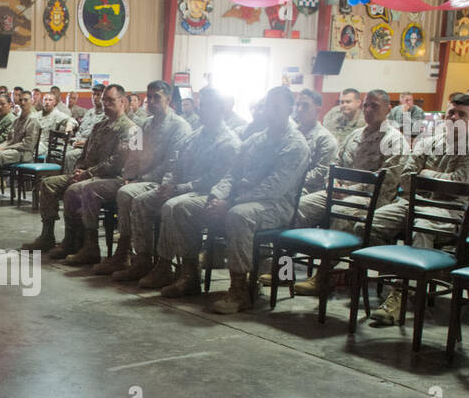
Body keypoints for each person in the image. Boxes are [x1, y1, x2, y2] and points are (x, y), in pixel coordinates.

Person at [159, 86, 310, 311]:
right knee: (184, 208)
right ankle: (189, 275)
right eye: (268, 106)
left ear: (290, 109)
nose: (271, 111)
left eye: (277, 107)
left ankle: (241, 290)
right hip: (239, 198)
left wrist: (230, 203)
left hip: (276, 205)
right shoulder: (256, 139)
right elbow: (232, 173)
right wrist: (216, 196)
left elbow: (273, 187)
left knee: (238, 215)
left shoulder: (295, 144)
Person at [364, 92, 469, 326]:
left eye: (462, 115)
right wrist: (430, 181)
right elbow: (406, 179)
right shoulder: (429, 141)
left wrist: (425, 174)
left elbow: (459, 186)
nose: (454, 118)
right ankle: (400, 278)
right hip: (413, 202)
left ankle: (400, 295)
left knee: (421, 228)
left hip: (449, 210)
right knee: (370, 224)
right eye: (451, 112)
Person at [284, 89, 405, 296]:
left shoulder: (394, 141)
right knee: (297, 206)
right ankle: (284, 269)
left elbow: (386, 183)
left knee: (342, 212)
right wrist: (337, 184)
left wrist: (348, 190)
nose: (368, 110)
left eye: (374, 106)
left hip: (371, 200)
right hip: (339, 191)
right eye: (366, 105)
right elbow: (335, 164)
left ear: (388, 109)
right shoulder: (356, 135)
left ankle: (324, 276)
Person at [133, 89, 241, 288]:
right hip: (180, 187)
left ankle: (184, 271)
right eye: (202, 105)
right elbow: (176, 163)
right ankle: (143, 259)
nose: (203, 110)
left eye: (208, 105)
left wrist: (177, 188)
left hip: (206, 192)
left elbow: (213, 180)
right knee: (141, 200)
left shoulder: (228, 141)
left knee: (173, 206)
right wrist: (168, 183)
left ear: (221, 109)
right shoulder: (195, 135)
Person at [20, 84, 136, 256]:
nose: (105, 104)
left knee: (74, 190)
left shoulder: (131, 128)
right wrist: (79, 169)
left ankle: (81, 243)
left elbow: (117, 162)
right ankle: (47, 235)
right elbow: (85, 153)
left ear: (123, 102)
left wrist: (86, 174)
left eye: (110, 100)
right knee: (48, 184)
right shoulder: (99, 126)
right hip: (88, 174)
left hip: (113, 178)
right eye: (104, 100)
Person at [91, 80, 192, 274]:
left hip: (162, 180)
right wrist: (129, 176)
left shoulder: (179, 127)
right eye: (150, 97)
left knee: (130, 195)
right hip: (142, 178)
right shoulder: (144, 124)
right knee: (124, 190)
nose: (152, 101)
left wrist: (142, 178)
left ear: (169, 100)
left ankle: (140, 257)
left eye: (157, 97)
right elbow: (133, 154)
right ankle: (127, 253)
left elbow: (173, 163)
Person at [293, 88, 339, 194]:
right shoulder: (291, 134)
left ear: (317, 110)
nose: (299, 109)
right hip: (284, 184)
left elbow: (320, 172)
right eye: (297, 104)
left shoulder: (325, 139)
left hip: (308, 189)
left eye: (305, 105)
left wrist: (291, 181)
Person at [0, 91, 41, 191]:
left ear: (31, 101)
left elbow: (28, 145)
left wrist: (5, 147)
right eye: (21, 100)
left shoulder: (33, 120)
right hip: (13, 151)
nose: (23, 102)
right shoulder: (17, 119)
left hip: (24, 153)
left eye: (26, 100)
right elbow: (10, 139)